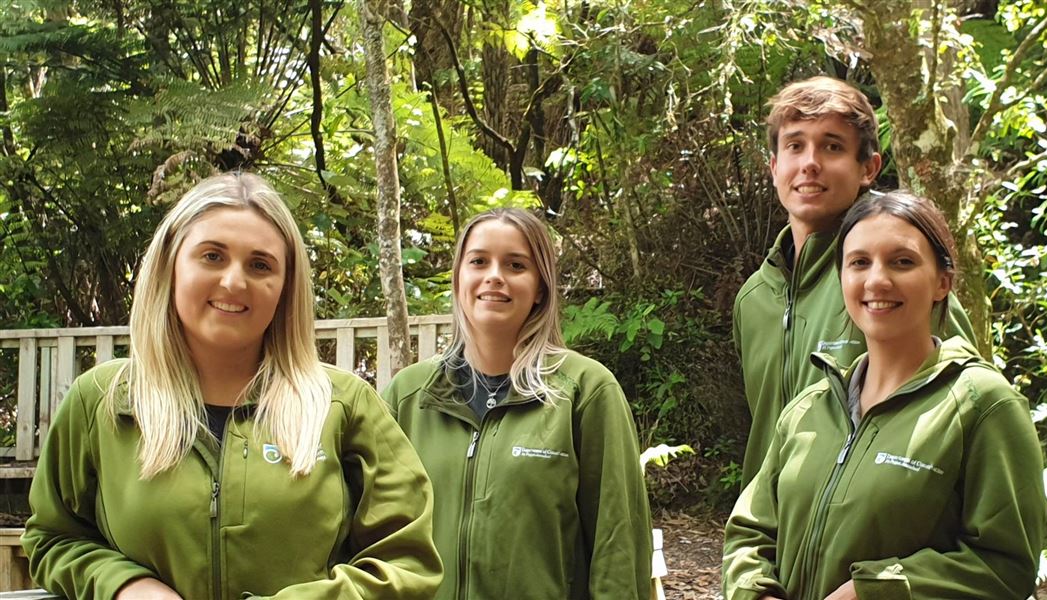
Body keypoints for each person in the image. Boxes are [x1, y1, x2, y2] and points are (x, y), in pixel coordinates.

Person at [22, 173, 442, 600]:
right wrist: (126, 586)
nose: (234, 282)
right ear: (171, 264)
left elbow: (408, 564)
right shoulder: (103, 401)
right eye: (212, 256)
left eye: (260, 265)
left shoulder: (343, 405)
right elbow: (52, 538)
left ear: (285, 287)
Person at [722, 191, 1046, 599]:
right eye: (859, 262)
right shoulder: (809, 407)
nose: (877, 279)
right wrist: (756, 591)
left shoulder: (983, 406)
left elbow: (1005, 566)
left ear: (942, 282)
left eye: (902, 261)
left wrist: (871, 591)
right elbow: (750, 532)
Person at [383, 208, 652, 600]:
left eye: (515, 265)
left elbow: (618, 544)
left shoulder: (585, 392)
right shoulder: (409, 395)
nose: (494, 275)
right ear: (459, 277)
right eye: (478, 261)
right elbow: (374, 535)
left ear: (540, 286)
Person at [732, 76, 975, 485]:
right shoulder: (754, 298)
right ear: (775, 168)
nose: (810, 162)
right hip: (776, 532)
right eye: (795, 145)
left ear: (869, 168)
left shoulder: (891, 282)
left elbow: (968, 408)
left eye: (832, 146)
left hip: (871, 528)